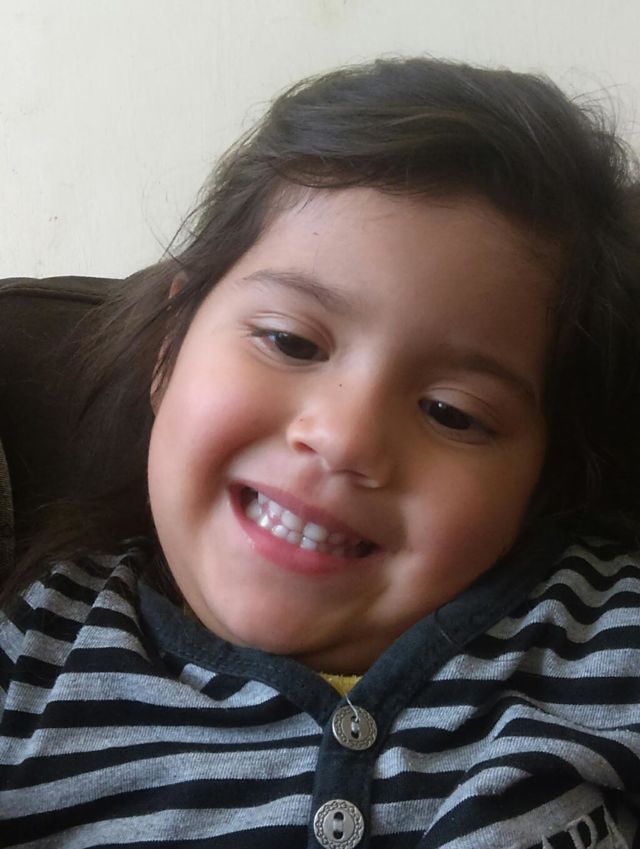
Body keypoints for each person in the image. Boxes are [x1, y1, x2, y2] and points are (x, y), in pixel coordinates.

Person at [1, 57, 640, 849]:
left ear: (542, 474)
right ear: (169, 346)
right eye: (291, 341)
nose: (345, 438)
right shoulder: (42, 651)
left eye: (453, 412)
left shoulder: (601, 632)